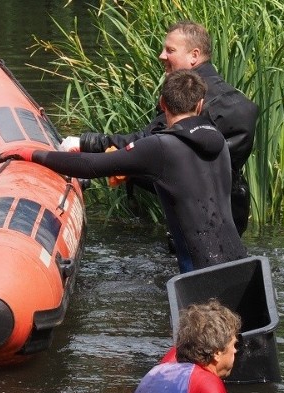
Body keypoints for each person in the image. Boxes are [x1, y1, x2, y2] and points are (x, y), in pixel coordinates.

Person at [0, 69, 247, 273]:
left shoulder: (160, 147)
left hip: (199, 272)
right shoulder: (218, 141)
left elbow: (89, 165)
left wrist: (33, 153)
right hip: (240, 265)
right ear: (201, 104)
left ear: (162, 104)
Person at [66, 20, 259, 236]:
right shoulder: (233, 97)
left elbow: (146, 142)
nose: (162, 56)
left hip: (199, 217)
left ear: (194, 56)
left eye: (170, 50)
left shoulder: (189, 95)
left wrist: (86, 143)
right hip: (232, 212)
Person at [130, 299, 284, 393]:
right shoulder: (207, 384)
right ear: (217, 353)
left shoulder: (161, 368)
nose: (236, 351)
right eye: (234, 345)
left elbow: (179, 347)